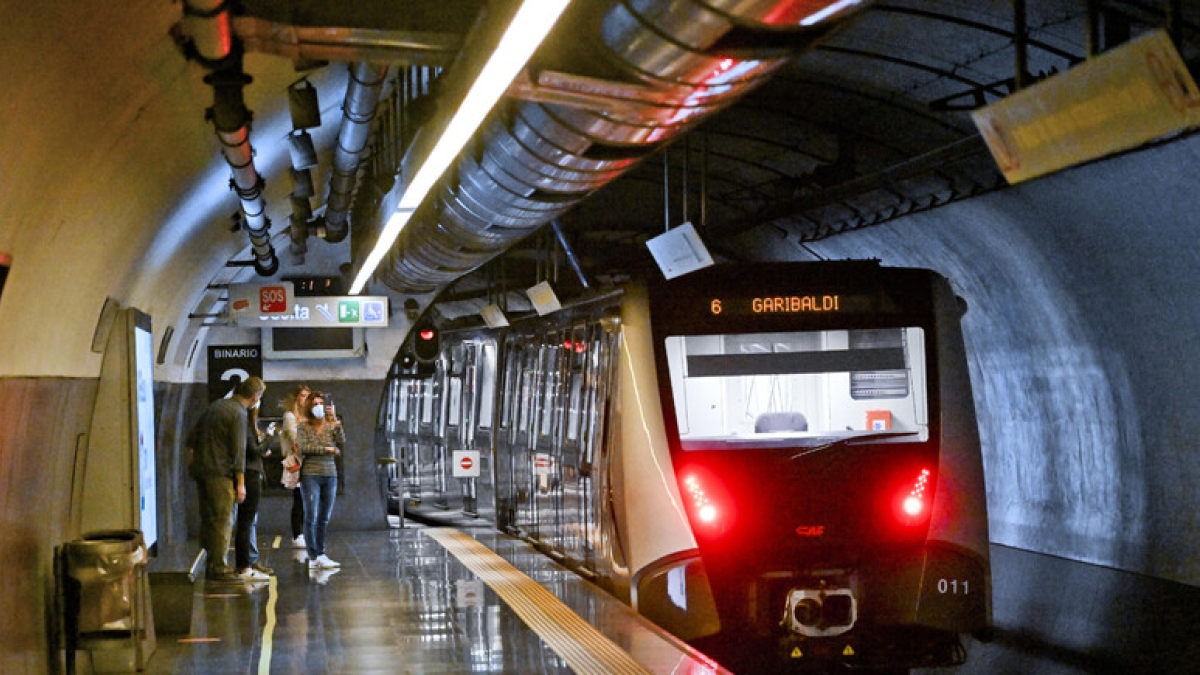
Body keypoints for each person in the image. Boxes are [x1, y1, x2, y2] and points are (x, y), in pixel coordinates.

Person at [187, 376, 265, 583]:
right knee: (224, 520)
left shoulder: (216, 406)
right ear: (255, 396)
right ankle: (220, 568)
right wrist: (241, 483)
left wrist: (193, 465)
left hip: (202, 471)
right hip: (221, 473)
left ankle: (209, 562)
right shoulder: (238, 413)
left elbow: (191, 439)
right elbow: (239, 452)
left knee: (209, 520)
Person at [296, 392, 344, 569]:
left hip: (330, 474)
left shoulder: (332, 424)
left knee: (324, 517)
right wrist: (327, 449)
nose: (318, 406)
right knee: (311, 515)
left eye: (321, 403)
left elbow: (341, 441)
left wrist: (335, 421)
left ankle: (321, 553)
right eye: (315, 403)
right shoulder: (303, 427)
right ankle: (313, 555)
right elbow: (303, 447)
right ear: (309, 407)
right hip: (311, 474)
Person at [234, 398, 274, 581]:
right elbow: (254, 451)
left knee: (249, 522)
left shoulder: (250, 426)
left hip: (252, 474)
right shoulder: (245, 426)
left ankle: (249, 561)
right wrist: (269, 438)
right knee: (246, 522)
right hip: (249, 476)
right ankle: (244, 565)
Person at [279, 384, 311, 549]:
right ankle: (297, 534)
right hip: (297, 460)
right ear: (297, 398)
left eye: (308, 396)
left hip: (309, 460)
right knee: (299, 498)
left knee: (308, 499)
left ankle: (305, 533)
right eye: (303, 396)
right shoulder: (290, 416)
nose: (306, 399)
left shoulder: (309, 416)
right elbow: (294, 437)